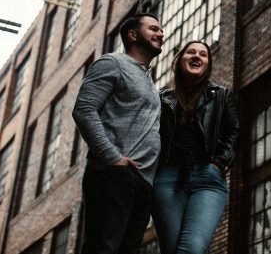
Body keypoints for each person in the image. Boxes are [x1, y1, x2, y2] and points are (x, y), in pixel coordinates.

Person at [72, 13, 165, 254]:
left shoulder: (147, 79)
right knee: (103, 248)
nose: (161, 34)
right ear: (132, 35)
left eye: (161, 30)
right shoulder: (112, 63)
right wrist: (112, 158)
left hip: (142, 181)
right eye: (153, 28)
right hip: (113, 174)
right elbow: (84, 109)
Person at [152, 40, 240, 254]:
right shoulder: (163, 99)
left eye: (203, 54)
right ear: (180, 60)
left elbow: (235, 131)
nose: (197, 56)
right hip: (167, 178)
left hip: (208, 179)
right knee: (172, 249)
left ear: (207, 64)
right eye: (191, 52)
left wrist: (219, 163)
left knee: (191, 248)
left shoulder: (221, 95)